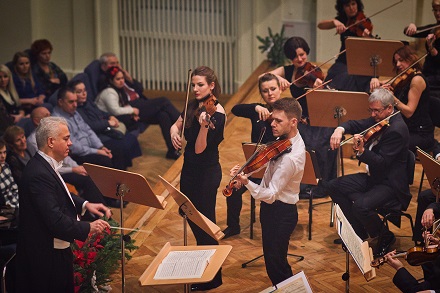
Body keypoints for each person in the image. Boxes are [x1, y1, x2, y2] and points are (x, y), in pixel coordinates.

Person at [16, 116, 112, 293]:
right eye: (66, 139)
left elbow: (58, 192)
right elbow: (54, 219)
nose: (71, 143)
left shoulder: (44, 165)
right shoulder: (39, 174)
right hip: (46, 257)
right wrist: (88, 227)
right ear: (51, 142)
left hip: (54, 250)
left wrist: (85, 204)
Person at [319, 88, 411, 256]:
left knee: (360, 206)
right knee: (333, 186)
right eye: (371, 110)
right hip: (375, 177)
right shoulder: (381, 119)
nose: (373, 114)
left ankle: (385, 236)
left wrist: (362, 151)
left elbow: (382, 163)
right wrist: (339, 129)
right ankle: (359, 232)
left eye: (377, 110)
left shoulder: (397, 129)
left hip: (390, 184)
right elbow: (356, 124)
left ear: (389, 108)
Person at [231, 97, 305, 286]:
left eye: (278, 121)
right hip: (274, 211)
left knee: (277, 265)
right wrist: (244, 173)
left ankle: (292, 290)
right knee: (274, 263)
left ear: (293, 121)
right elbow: (266, 159)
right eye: (272, 119)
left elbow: (271, 194)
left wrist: (246, 182)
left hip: (280, 213)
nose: (272, 124)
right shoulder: (286, 139)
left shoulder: (291, 157)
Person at [170, 66, 226, 291]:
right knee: (190, 215)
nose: (195, 89)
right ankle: (205, 268)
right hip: (190, 170)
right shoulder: (193, 104)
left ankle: (214, 276)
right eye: (193, 85)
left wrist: (204, 127)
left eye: (200, 85)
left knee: (205, 224)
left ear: (211, 86)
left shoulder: (217, 114)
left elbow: (200, 149)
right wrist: (174, 131)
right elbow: (177, 123)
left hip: (206, 173)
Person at [266, 36, 337, 183]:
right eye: (295, 56)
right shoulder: (289, 70)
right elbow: (264, 76)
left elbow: (324, 102)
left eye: (302, 54)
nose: (299, 59)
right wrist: (278, 79)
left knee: (316, 145)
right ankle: (298, 178)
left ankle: (318, 181)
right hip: (301, 118)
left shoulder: (314, 71)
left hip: (318, 119)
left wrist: (319, 88)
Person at [222, 73, 280, 239]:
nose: (270, 93)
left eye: (273, 89)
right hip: (256, 167)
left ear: (280, 89)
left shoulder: (286, 113)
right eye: (265, 90)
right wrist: (255, 107)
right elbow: (235, 109)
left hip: (278, 169)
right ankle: (233, 226)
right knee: (233, 187)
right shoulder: (258, 113)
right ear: (261, 93)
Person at [98, 52, 181, 159]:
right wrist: (131, 110)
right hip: (129, 108)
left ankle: (172, 151)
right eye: (112, 63)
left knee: (163, 115)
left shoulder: (120, 74)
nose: (116, 65)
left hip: (136, 103)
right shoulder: (107, 81)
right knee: (163, 101)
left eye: (117, 63)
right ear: (104, 66)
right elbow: (116, 108)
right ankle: (185, 125)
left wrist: (129, 79)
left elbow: (139, 89)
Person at [26, 107, 109, 206]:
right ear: (36, 121)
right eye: (46, 116)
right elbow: (49, 167)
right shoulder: (32, 141)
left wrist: (77, 166)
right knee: (86, 180)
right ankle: (98, 213)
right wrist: (73, 170)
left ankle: (105, 202)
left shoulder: (54, 133)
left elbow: (65, 155)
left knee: (90, 170)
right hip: (56, 173)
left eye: (50, 114)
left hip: (66, 167)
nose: (51, 117)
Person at [370, 45, 437, 153]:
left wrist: (393, 98)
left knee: (388, 144)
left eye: (401, 60)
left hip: (419, 133)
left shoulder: (417, 80)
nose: (398, 64)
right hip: (405, 129)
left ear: (411, 58)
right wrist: (375, 81)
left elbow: (409, 112)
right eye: (396, 61)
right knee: (379, 140)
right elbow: (386, 82)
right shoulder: (405, 77)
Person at [52, 87, 122, 170]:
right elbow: (74, 147)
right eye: (71, 102)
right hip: (77, 155)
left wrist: (100, 147)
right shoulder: (58, 121)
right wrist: (97, 151)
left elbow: (88, 130)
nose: (75, 105)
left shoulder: (73, 112)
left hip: (89, 148)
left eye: (76, 101)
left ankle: (120, 181)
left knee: (117, 150)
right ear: (60, 102)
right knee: (105, 160)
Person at [73, 79, 142, 161]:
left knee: (130, 138)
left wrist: (110, 116)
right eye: (79, 91)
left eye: (85, 90)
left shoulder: (87, 102)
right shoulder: (76, 110)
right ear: (72, 94)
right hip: (96, 135)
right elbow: (90, 126)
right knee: (121, 146)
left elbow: (100, 112)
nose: (84, 94)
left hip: (104, 129)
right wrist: (108, 122)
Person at [317, 0, 373, 92]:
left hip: (359, 63)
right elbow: (320, 25)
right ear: (342, 8)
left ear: (357, 4)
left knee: (346, 78)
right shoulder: (342, 20)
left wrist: (367, 38)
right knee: (331, 79)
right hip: (343, 60)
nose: (351, 8)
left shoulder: (365, 21)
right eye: (347, 5)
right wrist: (334, 22)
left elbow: (370, 47)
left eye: (353, 4)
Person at [403, 0, 440, 127]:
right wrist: (412, 27)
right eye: (435, 10)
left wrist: (433, 50)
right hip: (428, 75)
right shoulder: (435, 28)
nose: (438, 13)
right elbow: (408, 31)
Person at [95, 66, 142, 132]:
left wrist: (132, 113)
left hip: (112, 115)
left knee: (133, 118)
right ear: (111, 81)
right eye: (118, 79)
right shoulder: (109, 92)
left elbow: (124, 104)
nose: (121, 81)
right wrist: (132, 110)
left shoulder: (119, 89)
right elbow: (115, 111)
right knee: (129, 120)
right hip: (104, 118)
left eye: (122, 78)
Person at [0, 138, 19, 208]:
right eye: (0, 153)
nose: (3, 156)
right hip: (6, 208)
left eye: (4, 152)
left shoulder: (5, 166)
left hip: (16, 201)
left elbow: (14, 187)